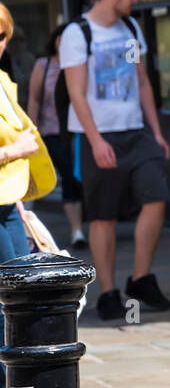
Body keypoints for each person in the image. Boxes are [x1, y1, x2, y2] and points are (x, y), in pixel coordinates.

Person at [59, 0, 170, 322]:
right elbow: (76, 93)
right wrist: (95, 141)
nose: (135, 1)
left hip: (136, 133)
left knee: (156, 197)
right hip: (98, 136)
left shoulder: (132, 28)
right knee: (103, 217)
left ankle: (140, 278)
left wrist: (155, 132)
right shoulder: (78, 34)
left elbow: (142, 83)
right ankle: (108, 292)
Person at [0, 1, 57, 388]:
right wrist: (15, 150)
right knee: (11, 292)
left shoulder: (3, 80)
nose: (0, 43)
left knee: (20, 289)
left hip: (7, 204)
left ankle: (19, 378)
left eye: (3, 35)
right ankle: (8, 382)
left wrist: (20, 202)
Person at [28, 24, 87, 248]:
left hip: (76, 131)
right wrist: (33, 132)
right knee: (66, 177)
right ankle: (75, 230)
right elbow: (34, 99)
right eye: (61, 39)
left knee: (76, 179)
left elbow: (137, 65)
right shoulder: (43, 66)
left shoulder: (78, 64)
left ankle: (79, 229)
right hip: (50, 132)